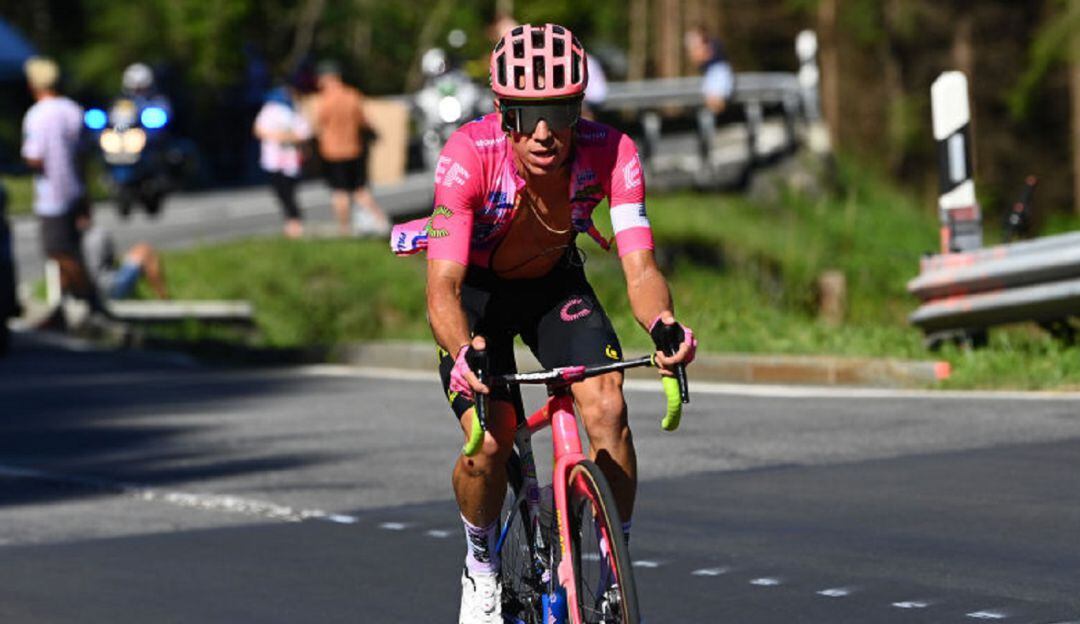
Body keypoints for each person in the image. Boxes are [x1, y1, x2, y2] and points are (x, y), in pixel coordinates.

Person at [390, 24, 697, 623]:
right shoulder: (467, 156)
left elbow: (640, 269)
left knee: (607, 406)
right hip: (476, 294)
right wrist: (462, 353)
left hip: (554, 284)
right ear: (503, 110)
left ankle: (613, 564)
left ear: (579, 108)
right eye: (529, 113)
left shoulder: (614, 152)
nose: (544, 132)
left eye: (559, 111)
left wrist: (663, 324)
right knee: (493, 438)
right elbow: (442, 288)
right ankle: (480, 569)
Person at [21, 56, 99, 323]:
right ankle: (63, 310)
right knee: (71, 249)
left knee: (58, 251)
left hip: (51, 194)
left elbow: (35, 157)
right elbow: (83, 155)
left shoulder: (36, 115)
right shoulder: (73, 110)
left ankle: (89, 298)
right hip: (75, 189)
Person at [312, 60, 389, 237]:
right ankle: (381, 220)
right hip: (354, 149)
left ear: (328, 78)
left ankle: (345, 230)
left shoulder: (323, 101)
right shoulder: (352, 95)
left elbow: (316, 126)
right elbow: (365, 122)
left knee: (340, 193)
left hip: (333, 153)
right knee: (360, 189)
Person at [254, 84, 312, 239]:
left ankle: (295, 222)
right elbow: (258, 130)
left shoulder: (296, 111)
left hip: (291, 160)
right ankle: (291, 221)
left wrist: (286, 137)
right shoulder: (270, 110)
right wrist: (279, 136)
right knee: (280, 192)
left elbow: (304, 134)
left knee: (289, 192)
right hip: (272, 160)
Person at [79, 213, 168, 301]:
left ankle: (136, 296)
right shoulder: (98, 233)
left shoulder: (70, 237)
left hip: (81, 291)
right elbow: (111, 260)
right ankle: (164, 299)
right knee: (145, 250)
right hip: (107, 288)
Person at [685, 26, 734, 114]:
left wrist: (697, 51)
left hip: (719, 73)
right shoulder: (709, 47)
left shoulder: (714, 45)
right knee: (710, 100)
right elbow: (698, 62)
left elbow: (704, 57)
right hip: (712, 74)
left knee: (717, 101)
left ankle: (721, 118)